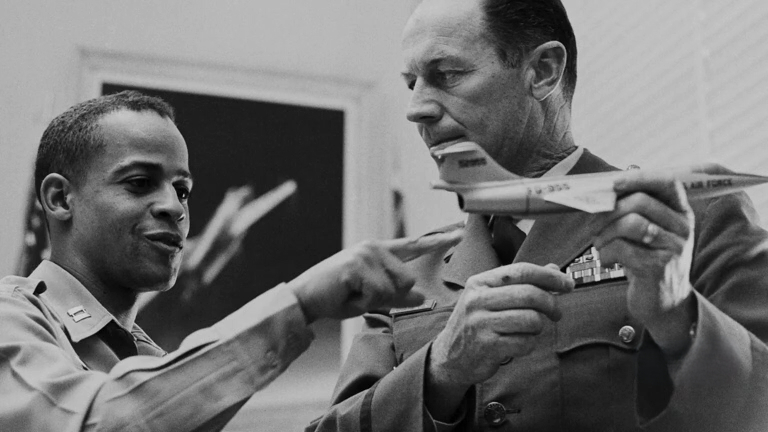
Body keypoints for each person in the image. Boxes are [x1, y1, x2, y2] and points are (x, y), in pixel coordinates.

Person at [309, 0, 768, 431]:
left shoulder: (692, 224)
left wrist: (677, 315)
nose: (416, 109)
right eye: (412, 84)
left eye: (446, 74)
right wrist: (441, 369)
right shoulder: (405, 277)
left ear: (543, 71)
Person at [0, 90, 463, 432]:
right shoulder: (11, 319)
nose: (175, 207)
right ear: (61, 198)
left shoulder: (150, 359)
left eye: (183, 190)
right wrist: (299, 303)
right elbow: (101, 424)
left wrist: (446, 376)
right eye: (140, 182)